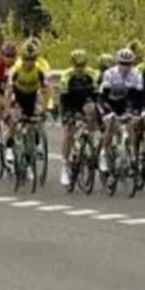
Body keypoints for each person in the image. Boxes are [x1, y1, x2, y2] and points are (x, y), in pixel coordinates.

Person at [3, 38, 54, 166]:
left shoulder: (39, 69)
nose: (29, 62)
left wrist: (48, 106)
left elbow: (47, 89)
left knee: (36, 119)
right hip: (18, 95)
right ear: (22, 58)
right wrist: (7, 109)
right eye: (26, 59)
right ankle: (9, 148)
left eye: (32, 59)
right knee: (14, 121)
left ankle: (36, 145)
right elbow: (8, 92)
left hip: (32, 95)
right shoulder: (16, 69)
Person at [56, 48, 99, 188]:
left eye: (82, 65)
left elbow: (97, 96)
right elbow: (64, 99)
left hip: (85, 102)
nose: (80, 69)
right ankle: (65, 165)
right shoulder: (66, 76)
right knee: (69, 131)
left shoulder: (92, 74)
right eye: (77, 66)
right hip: (69, 103)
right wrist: (69, 116)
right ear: (73, 64)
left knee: (93, 112)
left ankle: (90, 143)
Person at [98, 47, 144, 169]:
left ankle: (133, 154)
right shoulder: (109, 73)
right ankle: (103, 153)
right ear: (117, 63)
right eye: (122, 63)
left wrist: (136, 112)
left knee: (131, 126)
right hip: (109, 102)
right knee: (111, 124)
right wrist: (107, 111)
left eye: (128, 64)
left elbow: (138, 97)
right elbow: (103, 95)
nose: (125, 67)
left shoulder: (136, 74)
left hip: (126, 103)